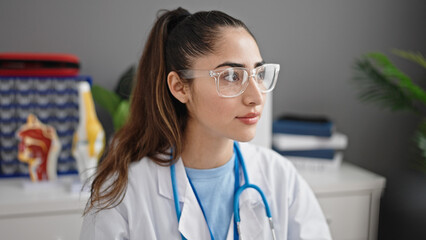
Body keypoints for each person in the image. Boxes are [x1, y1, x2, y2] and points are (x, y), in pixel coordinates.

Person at [80, 7, 332, 240]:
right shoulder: (122, 194)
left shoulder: (280, 177)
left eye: (258, 74)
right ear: (180, 87)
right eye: (232, 76)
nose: (256, 97)